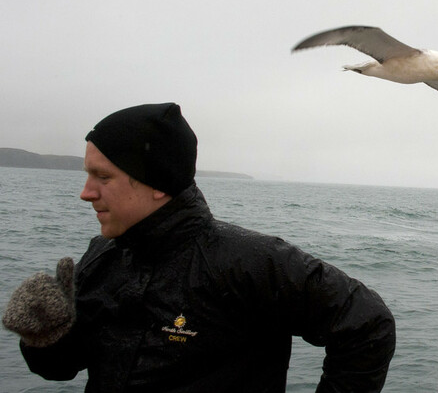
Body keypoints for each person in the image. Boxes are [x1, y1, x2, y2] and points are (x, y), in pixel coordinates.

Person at [2, 103, 395, 392]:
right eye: (87, 174)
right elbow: (61, 368)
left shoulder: (248, 261)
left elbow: (366, 323)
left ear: (158, 184)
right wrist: (45, 334)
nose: (86, 193)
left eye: (102, 177)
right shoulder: (103, 256)